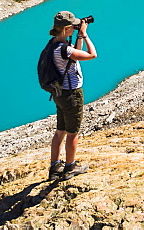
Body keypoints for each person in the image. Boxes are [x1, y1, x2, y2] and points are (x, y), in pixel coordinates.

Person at [47, 10, 97, 180]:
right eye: (73, 26)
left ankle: (54, 167)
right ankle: (70, 167)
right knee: (73, 132)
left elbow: (74, 57)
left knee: (60, 130)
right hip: (72, 94)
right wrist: (84, 34)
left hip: (59, 94)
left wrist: (78, 38)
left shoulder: (53, 44)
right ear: (67, 28)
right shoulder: (64, 49)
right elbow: (92, 55)